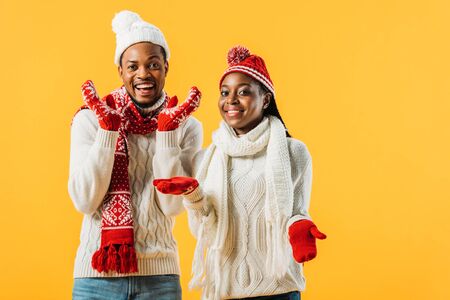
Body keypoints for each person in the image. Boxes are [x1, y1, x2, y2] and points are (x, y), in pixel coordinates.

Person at [154, 46, 326, 300]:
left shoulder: (293, 152)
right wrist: (193, 196)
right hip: (223, 291)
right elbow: (206, 232)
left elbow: (297, 211)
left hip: (278, 290)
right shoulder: (206, 159)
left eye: (243, 92)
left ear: (266, 99)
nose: (231, 100)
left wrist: (300, 227)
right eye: (225, 93)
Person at [68, 10, 202, 300]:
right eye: (133, 66)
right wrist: (108, 130)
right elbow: (84, 199)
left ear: (166, 67)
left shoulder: (186, 126)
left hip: (160, 278)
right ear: (120, 71)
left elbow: (172, 206)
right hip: (96, 278)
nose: (143, 74)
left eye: (153, 64)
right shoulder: (90, 121)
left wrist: (167, 133)